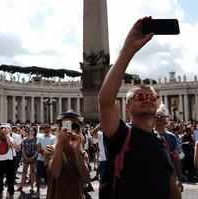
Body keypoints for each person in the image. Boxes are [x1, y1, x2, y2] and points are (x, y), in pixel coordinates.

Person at [98, 16, 181, 199]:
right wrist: (128, 50)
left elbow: (168, 181)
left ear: (157, 104)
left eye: (151, 96)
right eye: (140, 97)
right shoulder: (120, 135)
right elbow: (105, 101)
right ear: (127, 106)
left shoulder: (162, 141)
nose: (147, 100)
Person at [44, 109, 90, 199]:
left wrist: (76, 151)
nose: (70, 129)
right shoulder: (50, 149)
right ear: (60, 128)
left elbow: (86, 177)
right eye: (66, 126)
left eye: (74, 126)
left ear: (78, 130)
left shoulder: (82, 152)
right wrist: (59, 146)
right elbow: (55, 173)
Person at [153, 110, 183, 192]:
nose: (159, 117)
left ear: (165, 119)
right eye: (156, 116)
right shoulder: (148, 134)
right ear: (152, 119)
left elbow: (177, 158)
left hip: (169, 173)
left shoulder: (171, 136)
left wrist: (179, 179)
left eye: (161, 116)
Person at [32, 124, 56, 198]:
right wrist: (46, 153)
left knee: (50, 176)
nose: (46, 129)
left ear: (50, 129)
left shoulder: (54, 137)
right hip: (41, 159)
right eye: (44, 128)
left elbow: (53, 149)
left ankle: (50, 191)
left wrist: (44, 151)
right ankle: (38, 191)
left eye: (47, 128)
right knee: (38, 175)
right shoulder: (40, 137)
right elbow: (38, 148)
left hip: (50, 160)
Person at [16, 127, 38, 192]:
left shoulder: (37, 139)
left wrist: (33, 157)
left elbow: (37, 149)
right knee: (24, 171)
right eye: (30, 130)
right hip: (26, 156)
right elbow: (23, 148)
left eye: (32, 130)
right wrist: (25, 156)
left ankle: (32, 186)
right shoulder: (25, 139)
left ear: (34, 132)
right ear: (28, 131)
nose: (31, 131)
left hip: (34, 156)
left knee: (33, 171)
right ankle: (21, 186)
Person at [0, 125, 15, 199]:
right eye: (1, 130)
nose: (3, 132)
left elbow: (11, 144)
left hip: (8, 160)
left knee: (10, 179)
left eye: (4, 130)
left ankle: (11, 194)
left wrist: (7, 136)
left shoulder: (10, 138)